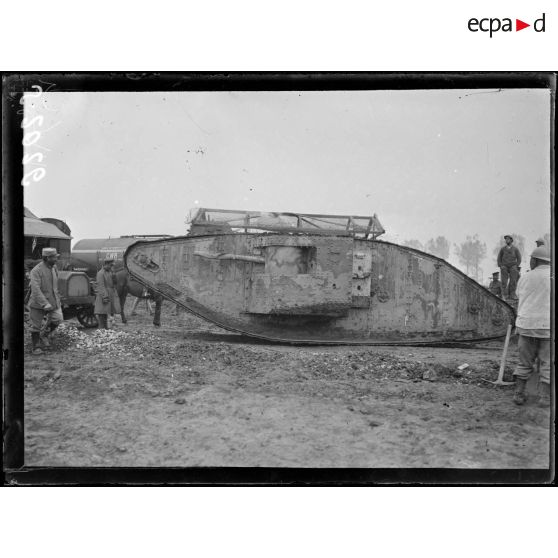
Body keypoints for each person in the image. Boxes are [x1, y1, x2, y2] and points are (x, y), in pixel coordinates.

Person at [512, 246, 551, 407]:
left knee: (524, 362)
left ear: (534, 260)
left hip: (526, 326)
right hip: (548, 327)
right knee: (548, 362)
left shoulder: (526, 277)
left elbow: (518, 297)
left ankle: (519, 394)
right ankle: (545, 398)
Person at [28, 247, 63, 354]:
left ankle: (44, 335)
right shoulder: (36, 270)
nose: (56, 259)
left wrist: (57, 298)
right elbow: (35, 289)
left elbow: (55, 286)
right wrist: (44, 303)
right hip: (37, 303)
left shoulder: (54, 268)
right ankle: (36, 347)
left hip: (53, 301)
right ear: (47, 258)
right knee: (36, 325)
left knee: (58, 318)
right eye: (54, 257)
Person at [94, 258, 120, 329]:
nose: (111, 267)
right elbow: (101, 286)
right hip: (104, 297)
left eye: (112, 265)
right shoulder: (100, 273)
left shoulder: (110, 272)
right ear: (106, 264)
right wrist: (105, 297)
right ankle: (102, 330)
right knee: (102, 315)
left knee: (108, 314)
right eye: (110, 265)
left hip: (110, 295)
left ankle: (106, 330)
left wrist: (114, 275)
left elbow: (115, 283)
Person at [497, 235, 521, 300]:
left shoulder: (515, 249)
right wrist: (500, 265)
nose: (507, 240)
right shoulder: (502, 249)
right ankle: (504, 295)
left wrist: (517, 265)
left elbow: (519, 258)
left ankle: (512, 294)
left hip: (513, 265)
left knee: (513, 279)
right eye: (506, 239)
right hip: (504, 265)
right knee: (504, 280)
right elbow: (499, 258)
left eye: (508, 239)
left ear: (511, 240)